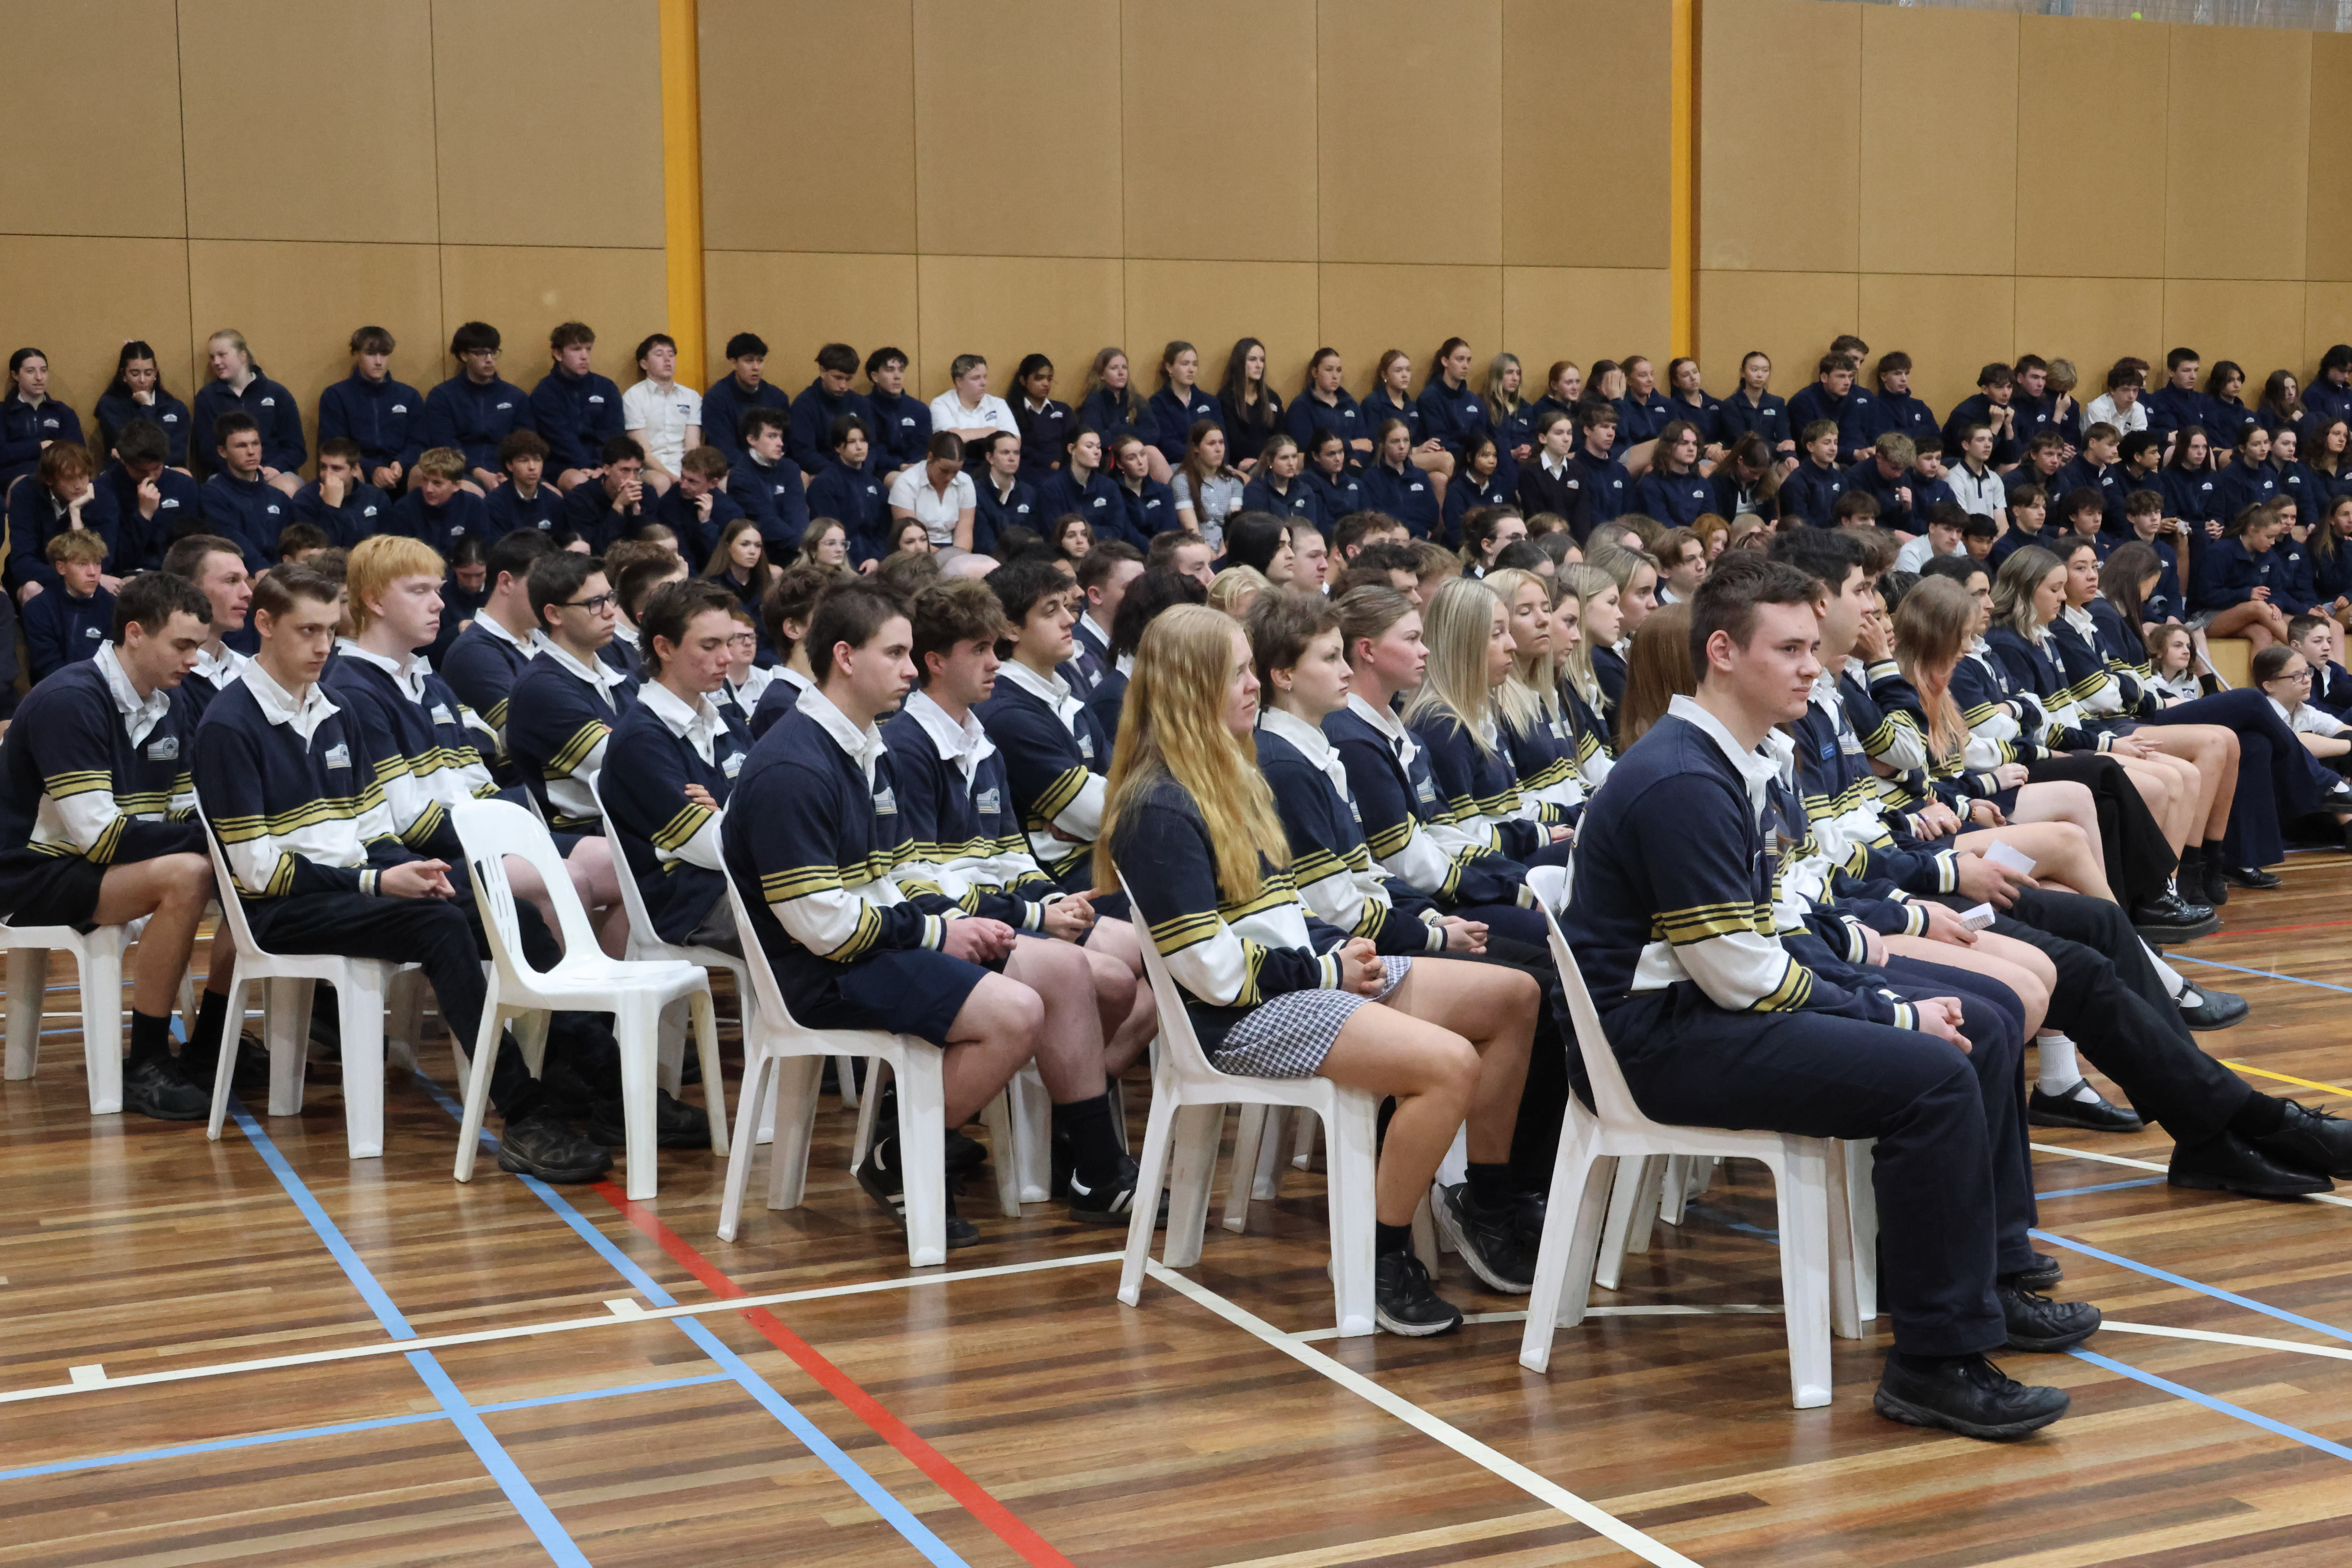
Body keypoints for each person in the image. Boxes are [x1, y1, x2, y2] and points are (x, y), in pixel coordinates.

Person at [1564, 556, 2097, 1436]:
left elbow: (1771, 931)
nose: (1814, 665)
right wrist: (1885, 1008)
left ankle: (1987, 1283)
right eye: (1790, 649)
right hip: (1659, 1041)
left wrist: (1868, 982)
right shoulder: (1683, 778)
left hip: (1713, 1005)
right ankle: (1935, 1362)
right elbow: (1739, 973)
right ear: (1723, 653)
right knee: (1932, 1075)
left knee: (1992, 1022)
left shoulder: (1752, 755)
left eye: (1815, 646)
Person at [1107, 602, 1539, 1331]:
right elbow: (1207, 971)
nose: (1253, 686)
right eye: (1237, 672)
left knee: (1514, 996)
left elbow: (1275, 913)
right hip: (1235, 1020)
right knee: (1449, 1066)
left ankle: (1485, 1201)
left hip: (1294, 980)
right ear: (1189, 686)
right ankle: (1378, 1250)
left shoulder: (1232, 774)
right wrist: (1327, 973)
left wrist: (1341, 952)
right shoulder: (1160, 803)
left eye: (1251, 669)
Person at [726, 578, 1145, 1241]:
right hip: (822, 972)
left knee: (1068, 972)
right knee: (1019, 1011)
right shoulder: (796, 765)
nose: (909, 668)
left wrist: (951, 926)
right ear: (844, 656)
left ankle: (1091, 1167)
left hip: (871, 946)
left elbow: (891, 879)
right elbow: (820, 927)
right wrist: (938, 931)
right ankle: (901, 1156)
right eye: (895, 654)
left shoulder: (860, 744)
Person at [192, 564, 631, 1180]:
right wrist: (378, 882)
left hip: (355, 888)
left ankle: (605, 1083)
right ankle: (524, 1115)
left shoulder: (332, 706)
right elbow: (258, 872)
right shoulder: (229, 724)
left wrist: (416, 868)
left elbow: (374, 830)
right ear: (263, 625)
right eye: (306, 631)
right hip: (281, 909)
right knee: (440, 928)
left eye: (329, 630)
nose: (322, 647)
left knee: (510, 910)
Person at [884, 579, 1155, 1076]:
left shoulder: (982, 736)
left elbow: (1012, 853)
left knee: (1153, 960)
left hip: (1004, 904)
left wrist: (1049, 902)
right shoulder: (908, 746)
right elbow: (920, 881)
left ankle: (1064, 1096)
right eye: (981, 650)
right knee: (1115, 978)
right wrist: (1035, 914)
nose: (995, 662)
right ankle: (1069, 1103)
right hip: (959, 921)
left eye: (994, 647)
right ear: (936, 663)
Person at [0, 570, 238, 1119]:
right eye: (181, 645)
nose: (195, 660)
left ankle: (210, 1046)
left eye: (199, 647)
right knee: (191, 873)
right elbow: (103, 838)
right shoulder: (70, 700)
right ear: (134, 633)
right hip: (28, 874)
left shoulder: (170, 703)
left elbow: (181, 812)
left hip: (91, 865)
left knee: (236, 866)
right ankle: (147, 1062)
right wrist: (210, 838)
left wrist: (220, 838)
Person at [601, 578, 754, 952]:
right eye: (710, 645)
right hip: (689, 903)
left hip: (737, 884)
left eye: (729, 642)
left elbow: (774, 805)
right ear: (664, 648)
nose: (728, 658)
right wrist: (738, 814)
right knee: (816, 929)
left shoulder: (725, 721)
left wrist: (724, 811)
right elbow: (711, 848)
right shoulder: (641, 740)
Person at [975, 559, 1115, 894]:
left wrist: (1097, 815)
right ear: (1011, 628)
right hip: (1064, 884)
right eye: (1051, 611)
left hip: (1103, 861)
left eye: (1066, 607)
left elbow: (1123, 787)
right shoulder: (1007, 713)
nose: (1070, 620)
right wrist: (1097, 817)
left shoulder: (1068, 700)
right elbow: (1102, 813)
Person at [442, 528, 555, 769]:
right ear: (506, 582)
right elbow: (527, 740)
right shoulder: (474, 653)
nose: (553, 595)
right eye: (543, 584)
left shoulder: (543, 638)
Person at [188, 331, 302, 491]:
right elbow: (208, 449)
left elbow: (295, 448)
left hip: (273, 473)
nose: (216, 362)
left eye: (222, 355)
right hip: (227, 475)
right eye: (212, 357)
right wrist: (239, 472)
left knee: (287, 488)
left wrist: (275, 468)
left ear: (243, 356)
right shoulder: (206, 398)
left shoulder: (277, 393)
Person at [8, 441, 122, 596]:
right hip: (40, 579)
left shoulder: (103, 498)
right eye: (70, 479)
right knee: (32, 589)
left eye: (83, 476)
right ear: (49, 480)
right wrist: (74, 579)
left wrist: (76, 514)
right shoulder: (25, 493)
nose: (79, 486)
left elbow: (104, 558)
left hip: (88, 578)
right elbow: (23, 562)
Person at [317, 326, 422, 493]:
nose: (379, 361)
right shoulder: (336, 395)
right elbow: (335, 445)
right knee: (344, 475)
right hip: (359, 467)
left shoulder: (409, 395)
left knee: (425, 474)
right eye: (371, 354)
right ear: (356, 354)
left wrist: (400, 463)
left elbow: (419, 442)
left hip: (401, 469)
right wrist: (374, 469)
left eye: (385, 354)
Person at [531, 322, 625, 491]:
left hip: (604, 463)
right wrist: (587, 467)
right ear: (558, 354)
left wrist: (601, 466)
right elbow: (560, 439)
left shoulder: (606, 387)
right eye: (576, 349)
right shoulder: (545, 392)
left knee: (630, 481)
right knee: (581, 483)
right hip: (561, 463)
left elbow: (613, 432)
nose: (585, 356)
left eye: (588, 349)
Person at [196, 414, 288, 572]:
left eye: (255, 444)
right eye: (241, 446)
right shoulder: (212, 495)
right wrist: (261, 569)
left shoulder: (278, 497)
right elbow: (230, 539)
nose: (251, 452)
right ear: (223, 452)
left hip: (279, 574)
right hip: (241, 574)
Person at [24, 531, 114, 681]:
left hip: (103, 694)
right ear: (61, 568)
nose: (93, 573)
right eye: (83, 564)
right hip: (55, 693)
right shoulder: (39, 609)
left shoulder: (115, 608)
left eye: (97, 563)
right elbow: (47, 667)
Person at [1364, 349, 1453, 501]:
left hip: (1411, 458)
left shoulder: (1411, 405)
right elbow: (1374, 443)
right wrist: (1416, 450)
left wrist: (1429, 449)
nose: (1405, 375)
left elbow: (1419, 438)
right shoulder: (1373, 403)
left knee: (1439, 479)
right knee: (1446, 460)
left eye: (1408, 370)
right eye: (1399, 371)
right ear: (1385, 375)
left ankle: (1440, 525)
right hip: (1385, 460)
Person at [620, 333, 701, 494]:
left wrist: (689, 475)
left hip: (685, 466)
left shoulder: (691, 397)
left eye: (671, 355)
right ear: (644, 364)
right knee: (661, 482)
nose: (667, 360)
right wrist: (674, 478)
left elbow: (692, 447)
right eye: (659, 354)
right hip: (649, 468)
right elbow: (643, 452)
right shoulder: (634, 397)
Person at [94, 340, 192, 469]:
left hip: (167, 472)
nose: (142, 380)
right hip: (125, 473)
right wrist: (147, 407)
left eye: (148, 373)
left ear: (156, 374)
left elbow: (178, 453)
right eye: (135, 374)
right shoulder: (110, 405)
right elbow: (131, 447)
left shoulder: (175, 407)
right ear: (124, 375)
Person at [728, 406, 811, 556]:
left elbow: (798, 512)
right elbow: (764, 522)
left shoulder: (790, 468)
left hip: (797, 547)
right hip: (762, 553)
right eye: (772, 436)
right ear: (752, 439)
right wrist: (801, 547)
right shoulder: (740, 477)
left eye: (781, 437)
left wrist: (805, 546)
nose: (780, 443)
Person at [700, 333, 790, 468]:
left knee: (801, 476)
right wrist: (756, 467)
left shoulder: (777, 397)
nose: (756, 367)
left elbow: (786, 441)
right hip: (734, 467)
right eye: (749, 361)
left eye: (760, 360)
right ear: (734, 363)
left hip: (773, 465)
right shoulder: (716, 398)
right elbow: (723, 448)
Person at [1067, 540, 1143, 699]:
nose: (1143, 595)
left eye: (1145, 586)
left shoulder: (1142, 640)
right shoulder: (1074, 652)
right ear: (1096, 595)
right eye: (1131, 588)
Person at [1076, 347, 1165, 481]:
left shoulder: (1136, 400)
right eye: (1114, 368)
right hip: (1108, 459)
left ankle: (1174, 500)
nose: (1121, 373)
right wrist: (1129, 434)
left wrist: (1118, 431)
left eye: (1125, 368)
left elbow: (1153, 433)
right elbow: (1096, 438)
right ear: (1101, 374)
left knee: (1151, 452)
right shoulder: (1094, 401)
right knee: (1150, 453)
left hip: (1135, 455)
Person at [888, 431, 978, 560]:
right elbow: (909, 535)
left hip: (954, 549)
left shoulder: (966, 482)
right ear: (930, 457)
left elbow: (965, 533)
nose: (950, 477)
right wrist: (947, 559)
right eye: (944, 471)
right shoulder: (906, 484)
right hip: (917, 551)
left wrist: (959, 560)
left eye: (956, 472)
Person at [289, 438, 390, 548]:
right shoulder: (305, 499)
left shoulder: (376, 497)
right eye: (323, 467)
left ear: (355, 470)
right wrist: (331, 507)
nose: (328, 474)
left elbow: (387, 544)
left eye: (336, 468)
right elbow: (318, 550)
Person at [388, 447, 491, 554]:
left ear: (456, 485)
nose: (429, 489)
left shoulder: (475, 507)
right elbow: (401, 557)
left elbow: (479, 555)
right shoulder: (404, 508)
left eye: (437, 483)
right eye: (425, 479)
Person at [654, 444, 744, 564]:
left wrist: (706, 524)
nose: (683, 486)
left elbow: (723, 559)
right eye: (683, 477)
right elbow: (680, 549)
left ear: (713, 483)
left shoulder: (730, 512)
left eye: (692, 481)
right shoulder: (674, 497)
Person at [559, 435, 650, 552]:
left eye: (637, 471)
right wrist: (618, 507)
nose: (632, 478)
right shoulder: (580, 498)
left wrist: (636, 511)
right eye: (625, 470)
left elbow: (650, 545)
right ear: (607, 470)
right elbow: (595, 549)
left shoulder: (647, 493)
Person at [1147, 342, 1221, 471]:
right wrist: (1202, 458)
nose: (1191, 369)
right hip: (1179, 467)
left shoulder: (1210, 401)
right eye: (1185, 364)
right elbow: (1168, 445)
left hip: (1214, 465)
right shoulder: (1158, 403)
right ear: (1169, 368)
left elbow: (1222, 438)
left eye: (1195, 364)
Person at [1171, 421, 1246, 550]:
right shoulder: (1182, 481)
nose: (1219, 449)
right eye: (1212, 444)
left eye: (1221, 443)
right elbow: (1192, 531)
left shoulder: (1234, 481)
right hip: (1196, 548)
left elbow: (1233, 526)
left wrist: (1226, 551)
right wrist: (1210, 553)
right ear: (1196, 448)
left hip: (1228, 548)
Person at [1287, 347, 1371, 461]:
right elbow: (1307, 451)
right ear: (1315, 372)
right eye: (1329, 370)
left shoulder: (1351, 404)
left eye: (1339, 370)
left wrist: (1355, 460)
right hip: (1317, 474)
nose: (1335, 376)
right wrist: (1350, 445)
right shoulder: (1301, 406)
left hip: (1352, 469)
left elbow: (1366, 445)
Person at [483, 428, 568, 539]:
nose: (532, 467)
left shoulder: (554, 502)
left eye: (537, 460)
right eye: (524, 461)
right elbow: (497, 548)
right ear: (510, 465)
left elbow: (561, 545)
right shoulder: (495, 503)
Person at [1218, 338, 1284, 472]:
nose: (1259, 365)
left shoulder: (1272, 398)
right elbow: (1233, 442)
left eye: (1262, 360)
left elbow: (1282, 437)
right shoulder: (1226, 398)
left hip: (1271, 465)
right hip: (1239, 468)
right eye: (1253, 360)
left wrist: (1263, 461)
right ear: (1240, 363)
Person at [927, 352, 1016, 450]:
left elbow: (1015, 442)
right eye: (976, 378)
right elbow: (950, 443)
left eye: (985, 377)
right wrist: (994, 432)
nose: (984, 383)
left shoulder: (998, 404)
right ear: (959, 382)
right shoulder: (941, 404)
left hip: (993, 463)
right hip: (959, 464)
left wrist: (964, 435)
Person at [1630, 421, 1712, 527]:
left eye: (1695, 444)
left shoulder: (1703, 484)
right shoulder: (1651, 484)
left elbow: (1710, 522)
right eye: (1684, 443)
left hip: (1698, 540)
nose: (1692, 449)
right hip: (1666, 541)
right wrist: (1690, 540)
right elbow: (1662, 524)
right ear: (1668, 448)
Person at [1010, 354, 1075, 488]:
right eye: (1039, 378)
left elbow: (1074, 440)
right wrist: (1049, 463)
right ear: (1023, 381)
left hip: (1064, 467)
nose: (1046, 384)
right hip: (1029, 470)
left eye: (1049, 379)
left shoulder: (1063, 409)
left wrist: (1064, 463)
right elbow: (1019, 448)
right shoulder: (1012, 411)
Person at [1241, 432, 1316, 525]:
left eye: (1294, 457)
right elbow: (1259, 530)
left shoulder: (1304, 490)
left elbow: (1311, 527)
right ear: (1270, 461)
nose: (1291, 463)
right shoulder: (1255, 490)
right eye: (1284, 458)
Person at [1303, 428, 1366, 526]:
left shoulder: (1355, 482)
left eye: (1341, 452)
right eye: (1331, 454)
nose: (1338, 459)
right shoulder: (1307, 483)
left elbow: (1367, 516)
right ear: (1316, 456)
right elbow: (1322, 524)